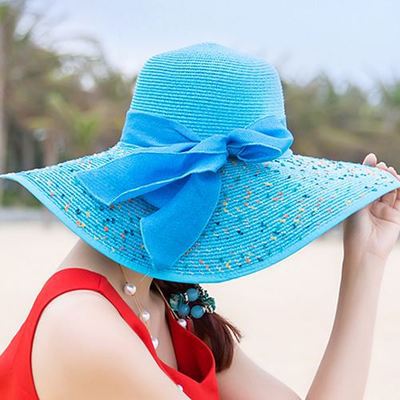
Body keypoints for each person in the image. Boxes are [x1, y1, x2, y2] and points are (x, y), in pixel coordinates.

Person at [1, 43, 399, 400]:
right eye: (240, 202)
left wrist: (367, 259)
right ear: (187, 196)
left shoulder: (170, 298)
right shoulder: (86, 329)